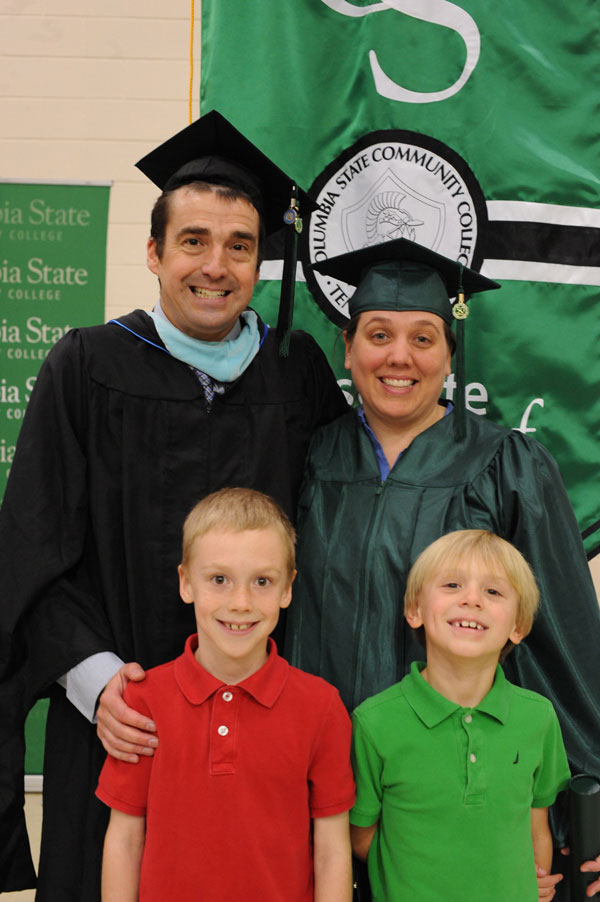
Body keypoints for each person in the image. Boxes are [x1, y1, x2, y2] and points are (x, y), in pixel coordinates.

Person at [0, 111, 347, 897]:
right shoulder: (87, 366)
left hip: (260, 727)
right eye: (193, 241)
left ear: (262, 260)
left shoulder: (294, 375)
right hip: (118, 727)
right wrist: (96, 684)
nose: (215, 266)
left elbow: (332, 540)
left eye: (240, 245)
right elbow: (32, 543)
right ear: (154, 251)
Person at [284, 238, 600, 897]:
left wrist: (589, 799)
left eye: (424, 338)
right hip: (309, 789)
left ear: (451, 356)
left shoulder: (507, 467)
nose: (399, 357)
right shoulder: (306, 459)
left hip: (449, 803)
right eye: (378, 334)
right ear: (347, 348)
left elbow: (563, 643)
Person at [96, 487, 355, 901]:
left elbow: (331, 851)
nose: (240, 602)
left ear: (287, 589)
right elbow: (125, 840)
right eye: (219, 579)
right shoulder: (143, 701)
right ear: (186, 583)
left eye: (262, 582)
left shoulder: (321, 706)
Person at [350, 529, 571, 902]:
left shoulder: (539, 717)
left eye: (493, 592)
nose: (471, 600)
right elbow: (361, 836)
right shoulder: (375, 722)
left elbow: (536, 827)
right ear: (414, 610)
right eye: (452, 585)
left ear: (518, 626)